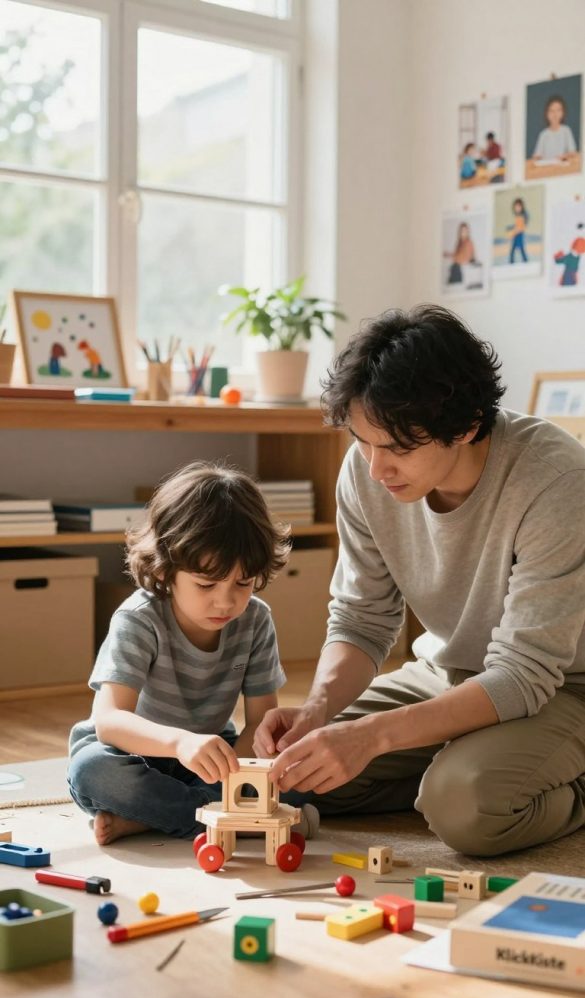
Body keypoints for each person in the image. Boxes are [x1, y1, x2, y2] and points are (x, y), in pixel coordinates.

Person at [253, 305, 585, 858]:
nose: (375, 468)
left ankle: (505, 777)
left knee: (464, 808)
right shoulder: (366, 472)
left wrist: (373, 737)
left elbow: (523, 675)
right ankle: (452, 766)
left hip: (564, 686)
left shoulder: (556, 481)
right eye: (363, 441)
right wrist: (316, 711)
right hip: (448, 673)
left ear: (467, 425)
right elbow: (361, 620)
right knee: (291, 772)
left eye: (397, 449)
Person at [68, 462, 319, 846]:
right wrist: (179, 744)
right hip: (132, 754)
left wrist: (243, 771)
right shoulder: (139, 619)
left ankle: (154, 818)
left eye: (243, 583)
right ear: (165, 570)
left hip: (209, 757)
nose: (226, 601)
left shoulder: (255, 620)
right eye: (206, 584)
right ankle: (232, 819)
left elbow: (260, 724)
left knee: (296, 777)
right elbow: (110, 721)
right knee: (93, 772)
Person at [533, 94, 577, 162]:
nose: (555, 114)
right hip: (546, 166)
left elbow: (573, 153)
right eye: (551, 111)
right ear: (547, 114)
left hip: (562, 165)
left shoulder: (566, 130)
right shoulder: (543, 134)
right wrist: (537, 157)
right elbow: (537, 155)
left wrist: (564, 156)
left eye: (558, 110)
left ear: (563, 113)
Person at [507, 197, 529, 263]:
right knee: (513, 249)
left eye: (518, 207)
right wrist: (512, 229)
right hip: (516, 234)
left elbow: (522, 227)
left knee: (521, 248)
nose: (517, 208)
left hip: (519, 235)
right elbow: (516, 225)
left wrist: (516, 230)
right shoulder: (517, 215)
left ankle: (525, 260)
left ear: (521, 207)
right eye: (516, 207)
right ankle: (512, 261)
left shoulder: (523, 216)